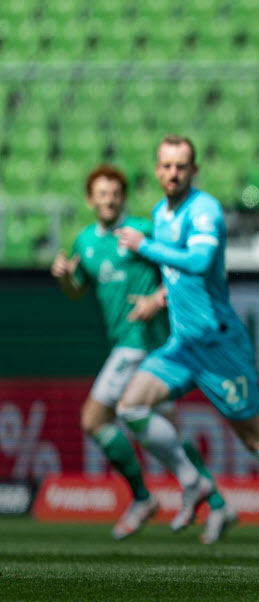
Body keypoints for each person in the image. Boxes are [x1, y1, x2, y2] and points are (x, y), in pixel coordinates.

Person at [115, 135, 259, 557]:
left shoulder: (205, 210)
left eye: (181, 166)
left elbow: (198, 263)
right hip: (182, 346)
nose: (173, 173)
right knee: (130, 407)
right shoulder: (161, 211)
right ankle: (193, 481)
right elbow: (179, 277)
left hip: (219, 347)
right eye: (166, 166)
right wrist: (159, 300)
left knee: (258, 442)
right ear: (157, 171)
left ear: (194, 171)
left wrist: (146, 247)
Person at [50, 164, 235, 543]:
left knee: (94, 419)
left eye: (115, 192)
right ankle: (216, 503)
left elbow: (190, 265)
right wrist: (64, 278)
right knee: (170, 428)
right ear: (90, 200)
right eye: (101, 193)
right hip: (127, 341)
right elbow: (76, 291)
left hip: (142, 341)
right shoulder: (85, 241)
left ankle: (142, 498)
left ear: (123, 196)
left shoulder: (142, 230)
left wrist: (158, 297)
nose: (109, 199)